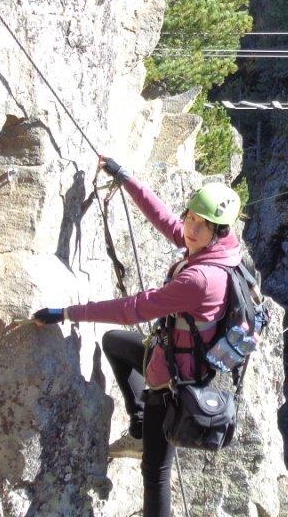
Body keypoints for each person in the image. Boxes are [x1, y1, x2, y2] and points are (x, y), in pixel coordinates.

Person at [32, 157, 242, 517]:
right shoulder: (221, 250)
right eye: (191, 217)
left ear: (217, 232)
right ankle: (142, 419)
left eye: (201, 225)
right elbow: (168, 223)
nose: (190, 228)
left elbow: (134, 309)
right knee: (115, 343)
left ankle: (148, 418)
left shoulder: (200, 280)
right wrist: (126, 178)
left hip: (172, 382)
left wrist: (68, 313)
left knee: (156, 472)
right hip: (176, 357)